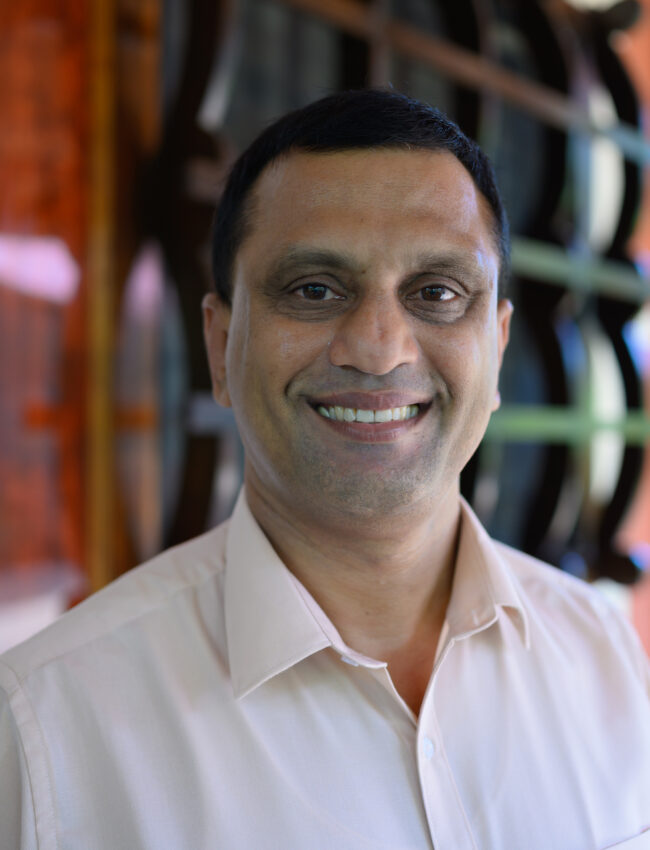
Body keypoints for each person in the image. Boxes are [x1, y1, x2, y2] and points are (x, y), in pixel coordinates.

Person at [1, 89, 649, 850]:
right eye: (314, 289)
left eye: (437, 292)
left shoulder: (603, 655)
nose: (378, 349)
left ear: (498, 349)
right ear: (219, 345)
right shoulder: (47, 731)